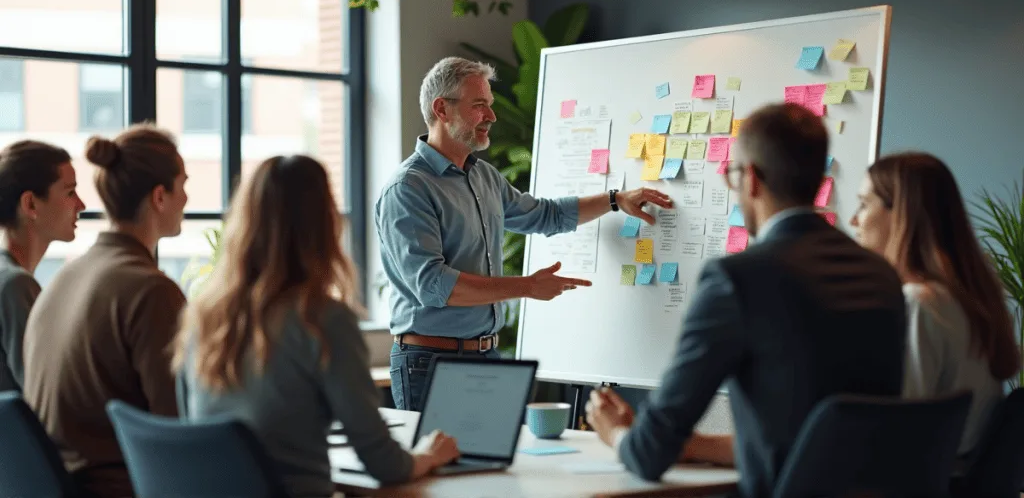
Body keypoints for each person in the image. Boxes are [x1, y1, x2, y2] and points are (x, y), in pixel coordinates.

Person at [586, 102, 908, 497]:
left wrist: (616, 433)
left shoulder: (738, 278)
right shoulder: (882, 275)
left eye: (732, 173)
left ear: (752, 179)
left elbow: (650, 453)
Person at [376, 56, 674, 411]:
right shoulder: (408, 188)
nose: (491, 116)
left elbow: (545, 215)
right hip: (430, 361)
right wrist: (527, 286)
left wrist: (614, 200)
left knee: (495, 466)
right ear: (442, 109)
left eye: (490, 105)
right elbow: (434, 286)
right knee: (441, 467)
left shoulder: (483, 176)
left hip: (486, 354)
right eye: (479, 105)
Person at [174, 155, 459, 497]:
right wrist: (427, 456)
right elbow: (385, 464)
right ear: (324, 224)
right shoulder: (323, 318)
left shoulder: (204, 316)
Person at [23, 125, 189, 498]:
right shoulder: (152, 291)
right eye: (183, 184)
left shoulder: (65, 278)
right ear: (160, 196)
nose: (187, 197)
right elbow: (177, 431)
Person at [850, 151, 1020, 456]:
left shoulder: (920, 303)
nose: (853, 219)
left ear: (900, 213)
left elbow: (897, 433)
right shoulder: (969, 299)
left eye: (863, 204)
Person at [0, 141, 85, 392]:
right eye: (70, 192)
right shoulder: (15, 285)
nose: (81, 205)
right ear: (31, 205)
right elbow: (44, 393)